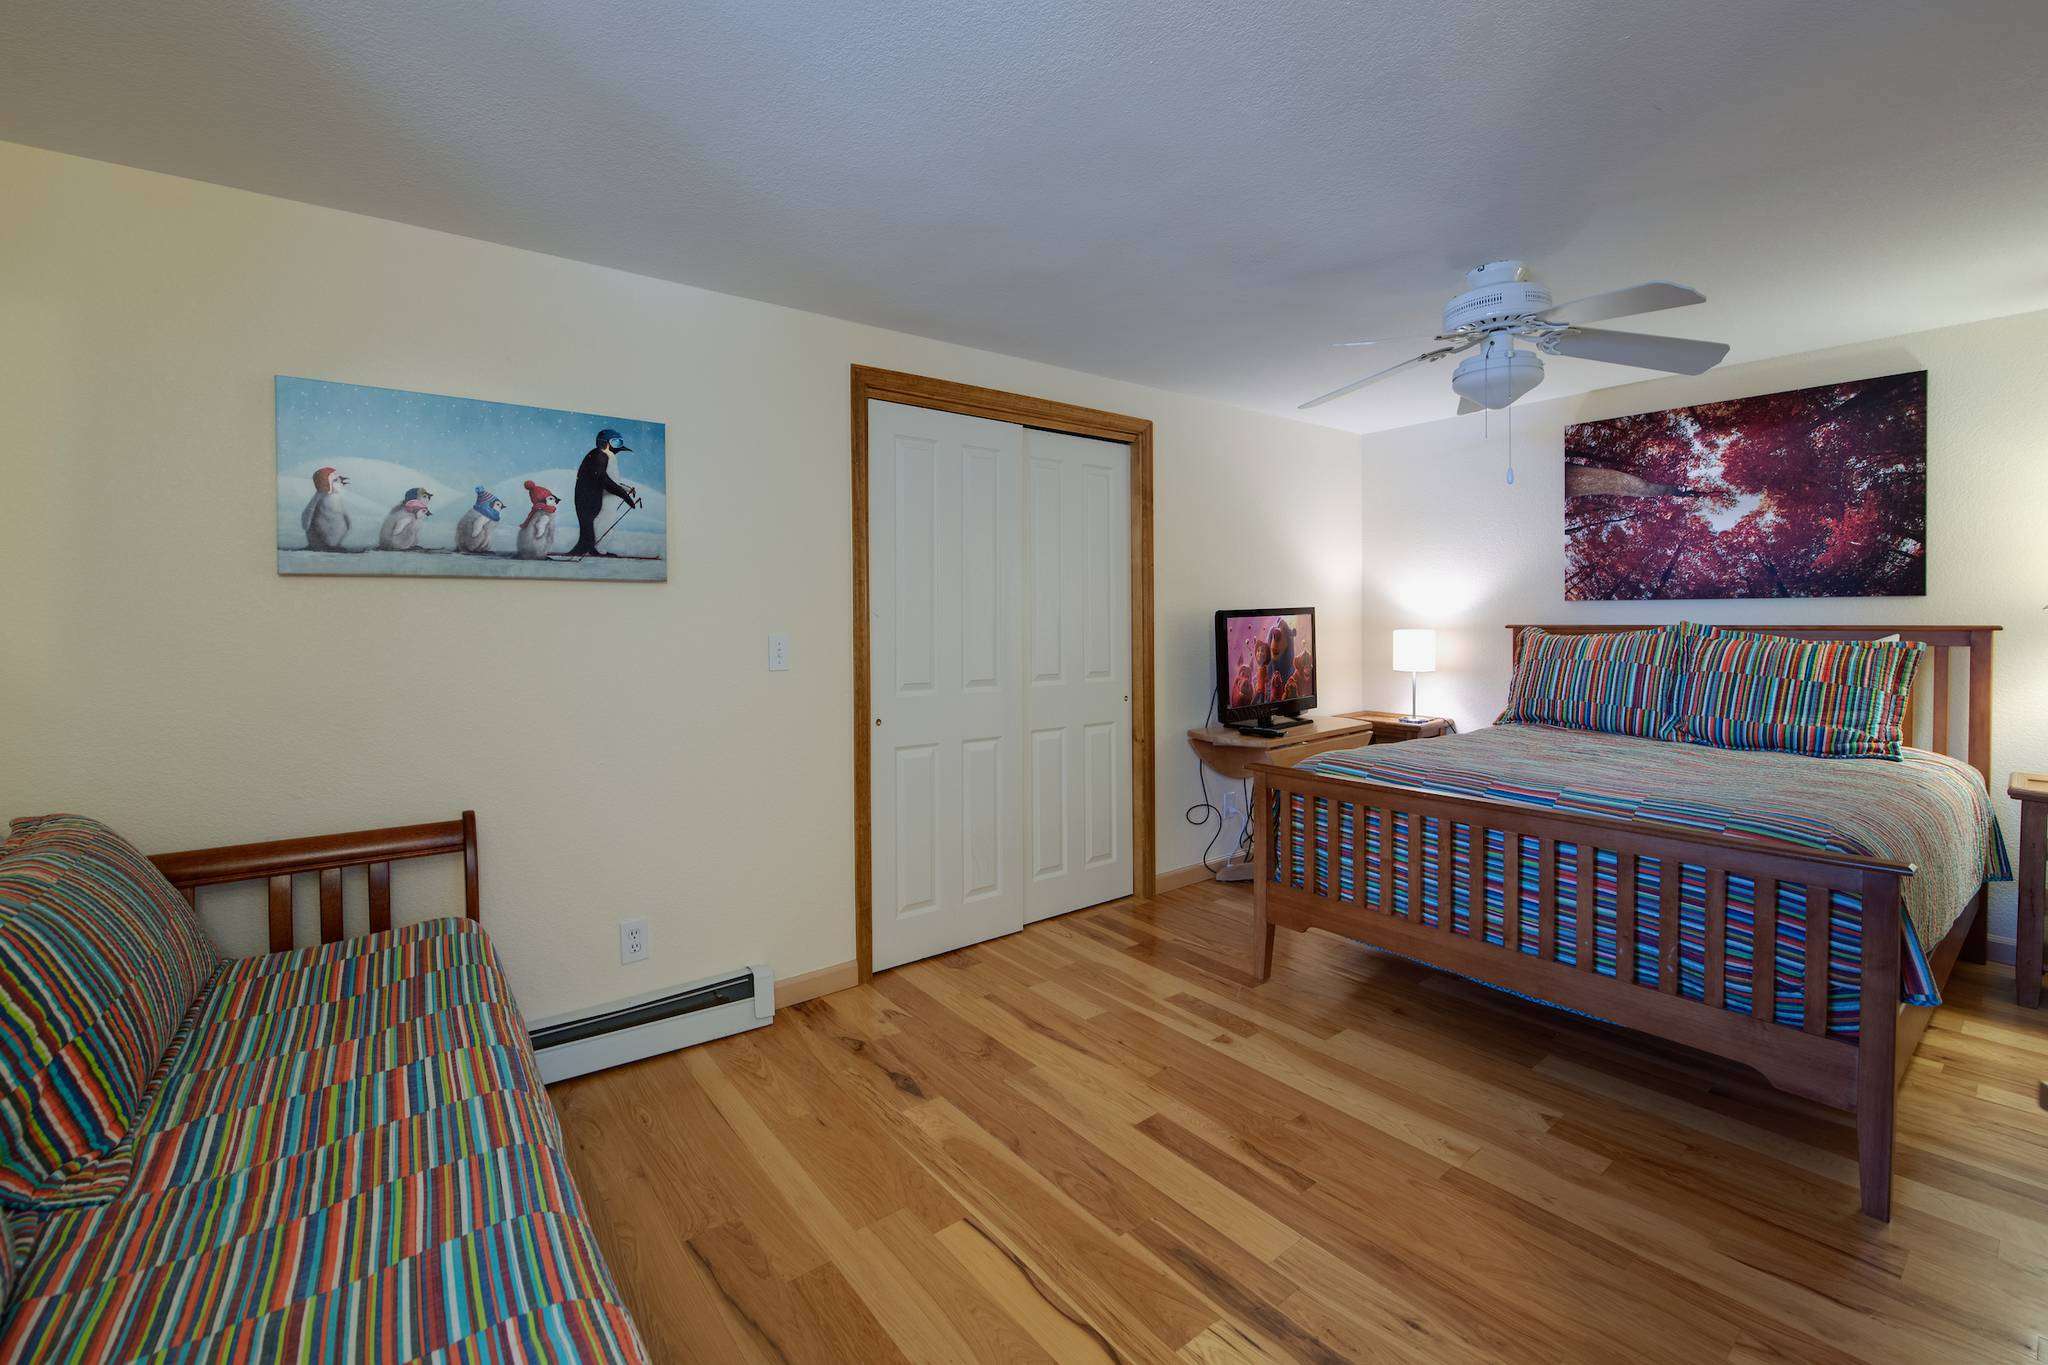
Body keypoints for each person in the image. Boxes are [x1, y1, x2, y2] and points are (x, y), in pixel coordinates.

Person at [569, 428, 641, 556]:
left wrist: (624, 489)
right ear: (605, 442)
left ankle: (592, 548)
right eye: (615, 442)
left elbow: (608, 480)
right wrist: (624, 495)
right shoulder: (599, 455)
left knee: (593, 524)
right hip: (589, 497)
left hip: (593, 495)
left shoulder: (604, 456)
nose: (618, 446)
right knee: (591, 524)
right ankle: (585, 548)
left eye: (619, 442)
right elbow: (603, 479)